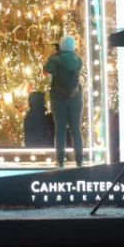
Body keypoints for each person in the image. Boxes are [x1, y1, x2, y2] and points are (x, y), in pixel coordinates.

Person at [43, 35, 83, 168]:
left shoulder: (55, 61)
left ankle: (60, 160)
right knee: (75, 130)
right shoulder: (78, 60)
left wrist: (53, 55)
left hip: (58, 99)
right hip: (75, 98)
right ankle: (79, 160)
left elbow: (46, 69)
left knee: (60, 130)